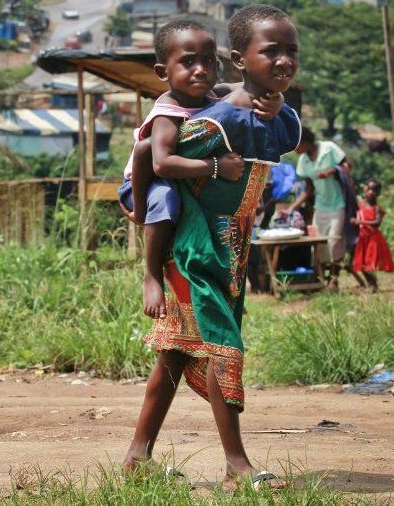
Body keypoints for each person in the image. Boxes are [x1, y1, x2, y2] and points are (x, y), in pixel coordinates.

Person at [123, 4, 301, 491]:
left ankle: (138, 459)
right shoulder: (212, 122)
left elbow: (283, 137)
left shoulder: (275, 115)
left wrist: (276, 109)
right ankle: (236, 466)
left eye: (292, 52)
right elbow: (151, 157)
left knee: (176, 354)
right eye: (272, 52)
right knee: (223, 345)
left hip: (231, 250)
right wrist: (142, 215)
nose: (284, 61)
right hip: (194, 248)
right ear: (243, 58)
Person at [118, 18, 282, 323]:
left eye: (209, 61)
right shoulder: (169, 111)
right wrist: (215, 166)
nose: (201, 70)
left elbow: (249, 88)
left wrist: (276, 100)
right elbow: (161, 163)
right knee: (169, 200)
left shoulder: (210, 96)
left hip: (179, 179)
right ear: (163, 72)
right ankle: (151, 276)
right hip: (145, 185)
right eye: (188, 62)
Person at [287, 127, 349, 290]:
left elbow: (347, 165)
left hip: (338, 204)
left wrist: (332, 170)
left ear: (305, 141)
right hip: (320, 207)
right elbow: (308, 188)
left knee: (335, 242)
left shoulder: (328, 148)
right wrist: (291, 208)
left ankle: (334, 279)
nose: (294, 150)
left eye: (296, 145)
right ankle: (322, 279)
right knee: (319, 245)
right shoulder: (303, 161)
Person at [350, 179, 394, 293]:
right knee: (360, 263)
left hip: (373, 239)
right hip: (362, 238)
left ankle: (373, 285)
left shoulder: (377, 208)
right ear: (365, 189)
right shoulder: (360, 205)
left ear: (378, 193)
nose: (370, 192)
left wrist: (360, 222)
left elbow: (377, 223)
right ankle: (371, 283)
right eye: (369, 189)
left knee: (370, 263)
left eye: (374, 190)